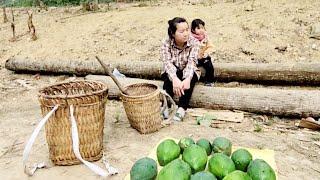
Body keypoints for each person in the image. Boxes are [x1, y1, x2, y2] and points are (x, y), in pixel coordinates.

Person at [160, 17, 200, 121]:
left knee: (189, 83)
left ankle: (182, 107)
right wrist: (174, 79)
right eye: (182, 31)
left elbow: (192, 62)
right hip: (173, 69)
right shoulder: (166, 43)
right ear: (173, 33)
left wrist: (187, 79)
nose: (186, 34)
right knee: (168, 80)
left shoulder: (194, 42)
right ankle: (166, 105)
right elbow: (167, 62)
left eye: (187, 30)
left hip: (189, 69)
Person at [191, 18, 215, 86]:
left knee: (209, 64)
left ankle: (209, 81)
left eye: (202, 28)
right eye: (198, 28)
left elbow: (211, 47)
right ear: (193, 29)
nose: (201, 30)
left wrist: (206, 52)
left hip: (203, 57)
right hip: (193, 58)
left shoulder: (205, 38)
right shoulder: (190, 38)